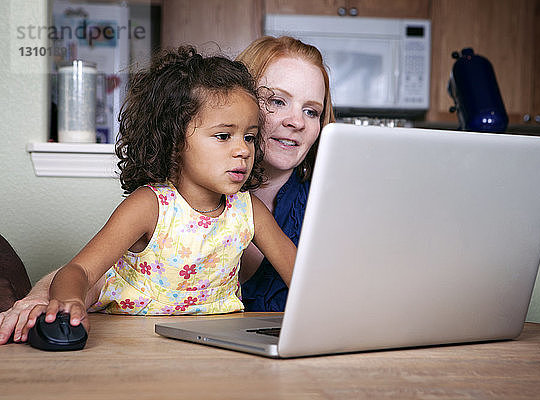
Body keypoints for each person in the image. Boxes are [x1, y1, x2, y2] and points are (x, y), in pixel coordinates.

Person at [0, 36, 334, 343]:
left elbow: (305, 280)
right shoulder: (150, 206)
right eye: (223, 136)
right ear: (174, 141)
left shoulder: (248, 211)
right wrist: (68, 300)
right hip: (135, 343)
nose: (244, 149)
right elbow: (81, 270)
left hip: (216, 348)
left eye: (248, 136)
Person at [236, 36, 335, 311]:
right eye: (278, 101)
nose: (297, 122)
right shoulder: (177, 202)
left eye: (311, 111)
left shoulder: (330, 210)